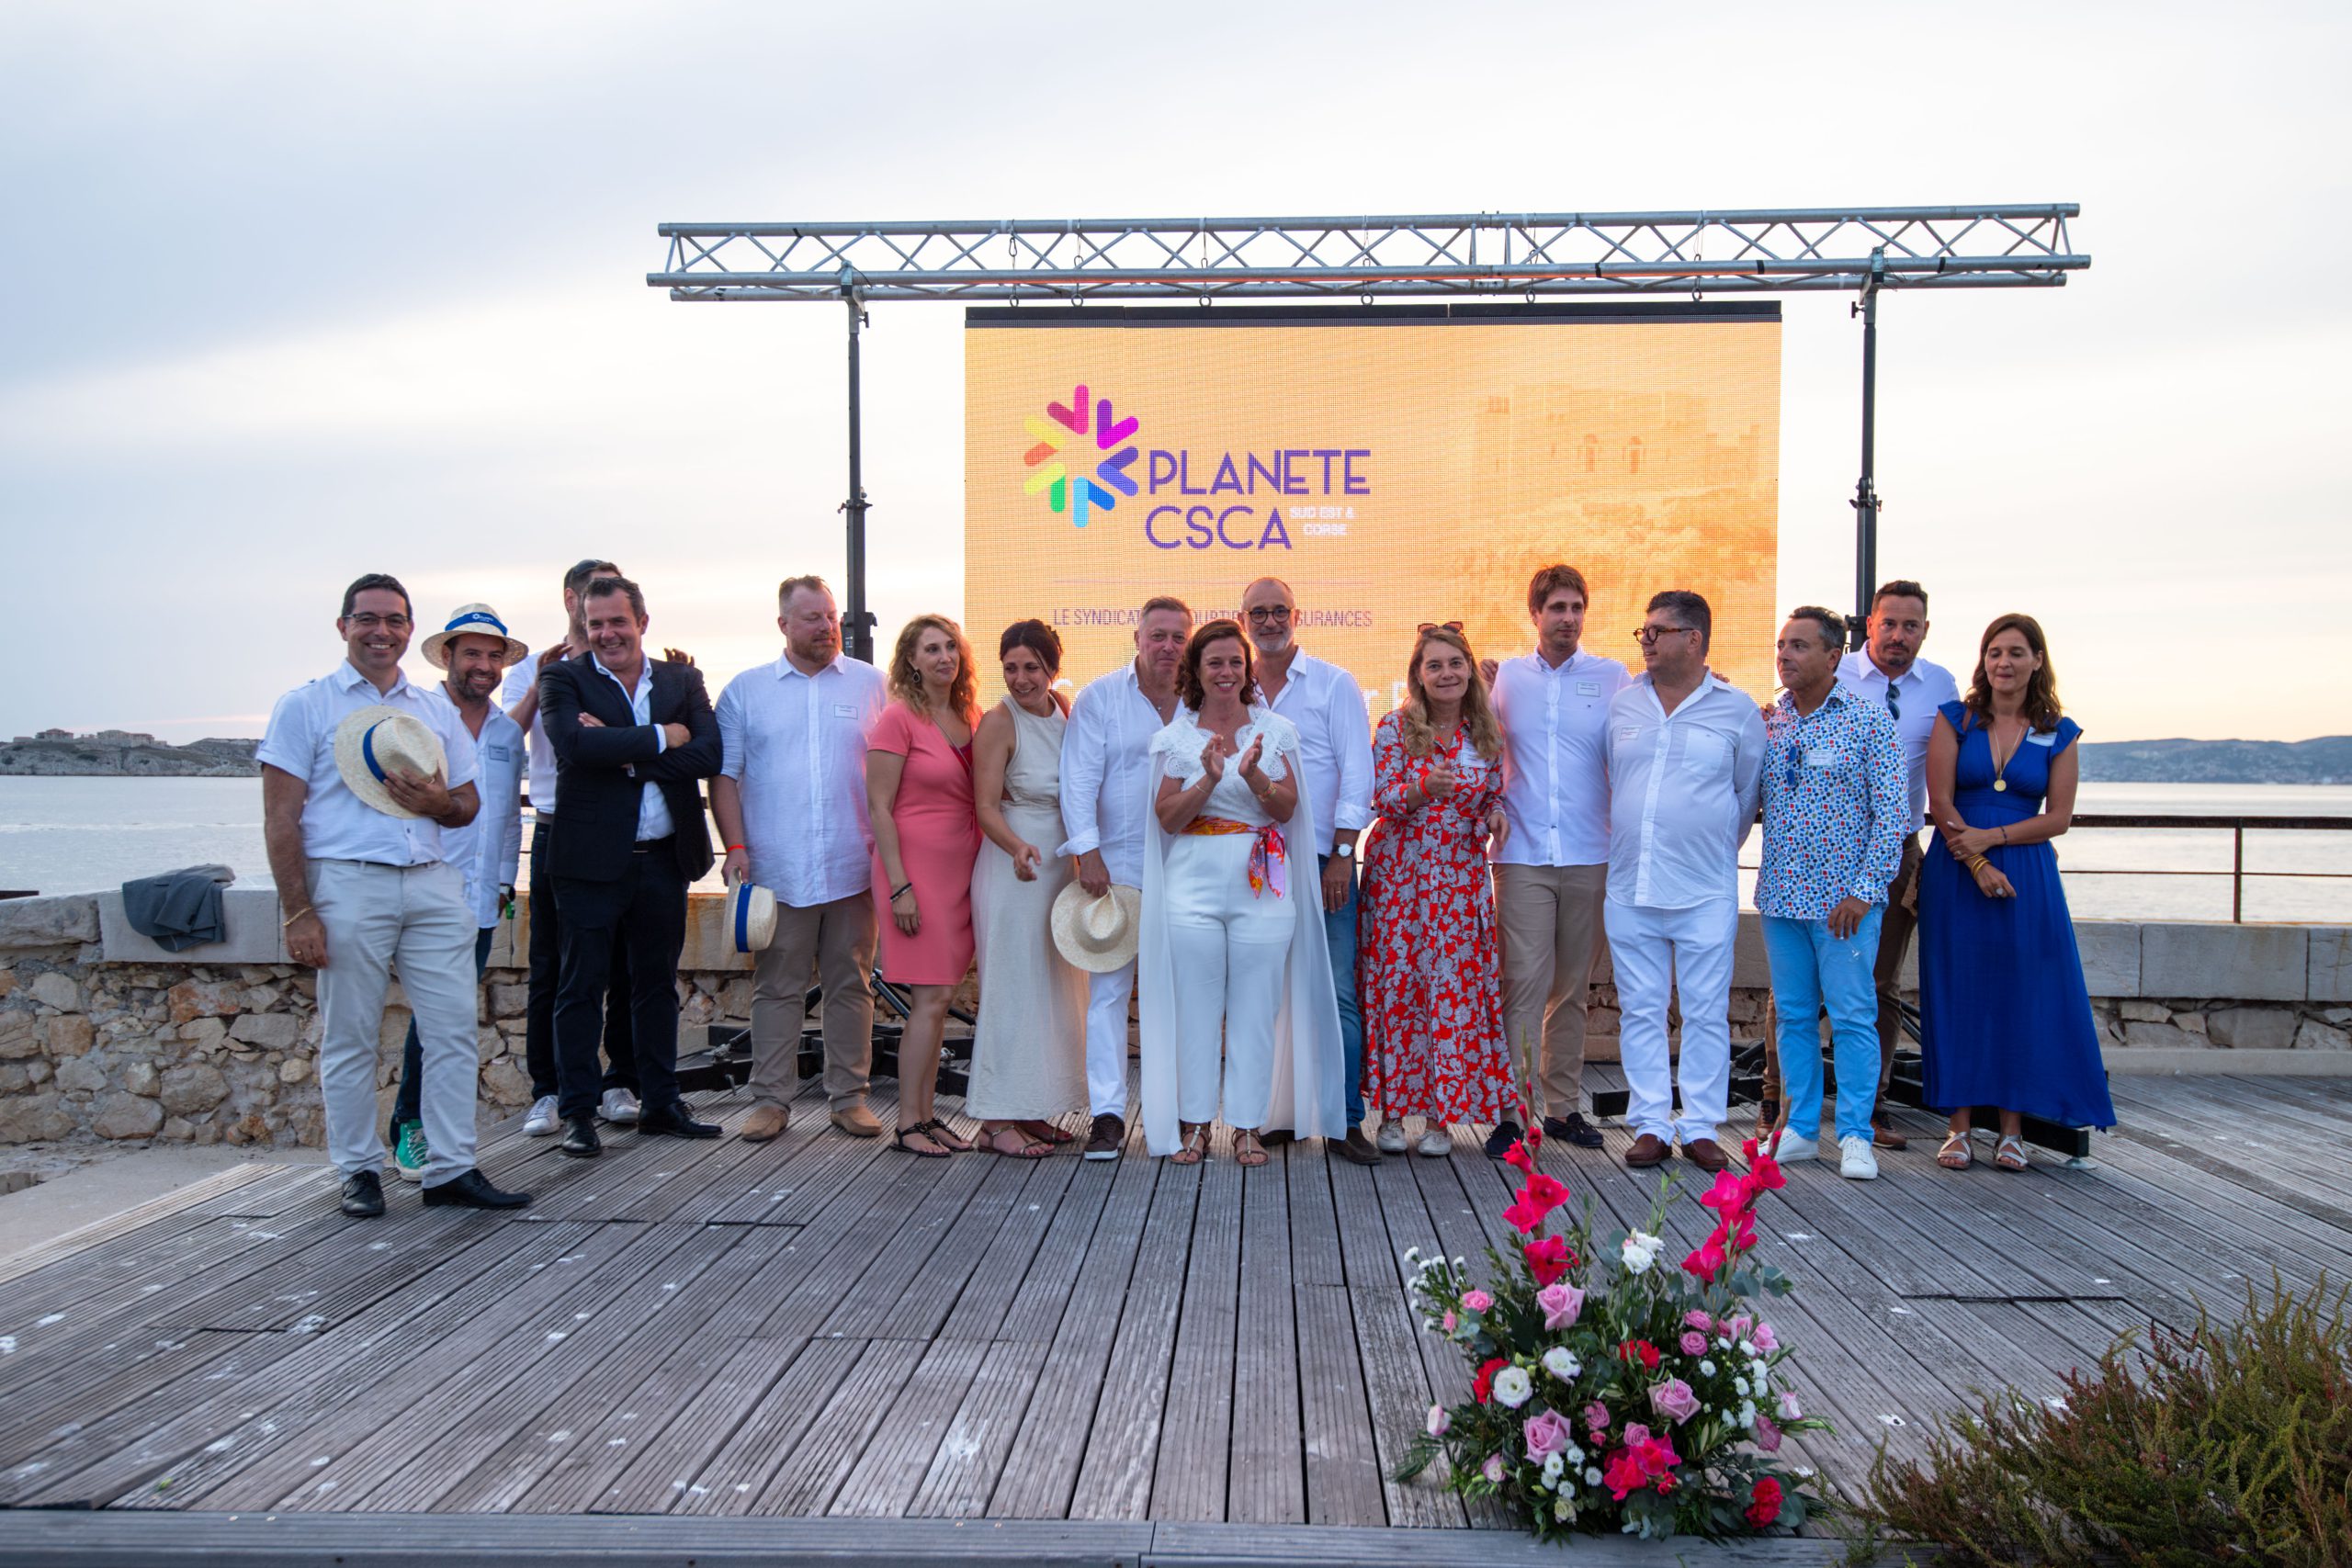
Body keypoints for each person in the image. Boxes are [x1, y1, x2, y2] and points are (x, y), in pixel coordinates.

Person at [259, 573, 529, 1216]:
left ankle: (451, 1168)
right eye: (368, 618)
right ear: (343, 626)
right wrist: (299, 912)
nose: (381, 631)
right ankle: (358, 1170)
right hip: (347, 880)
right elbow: (280, 818)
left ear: (410, 630)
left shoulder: (432, 712)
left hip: (432, 880)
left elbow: (468, 804)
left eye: (395, 620)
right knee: (350, 1035)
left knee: (453, 1031)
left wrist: (438, 803)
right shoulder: (306, 705)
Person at [1137, 620, 1344, 1164]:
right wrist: (1207, 779)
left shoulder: (1276, 732)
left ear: (1246, 670)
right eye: (1215, 663)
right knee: (1196, 1011)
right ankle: (1195, 1125)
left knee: (1256, 1010)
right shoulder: (1177, 738)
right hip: (1191, 888)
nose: (1226, 672)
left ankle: (1248, 1126)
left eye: (1235, 662)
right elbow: (1166, 818)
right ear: (1196, 671)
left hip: (1263, 888)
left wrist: (1254, 777)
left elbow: (1288, 809)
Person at [1919, 614, 2114, 1171]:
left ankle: (2012, 1131)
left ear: (2037, 661)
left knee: (2020, 995)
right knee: (1957, 991)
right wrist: (1977, 859)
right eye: (1994, 652)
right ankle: (1957, 1127)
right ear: (1983, 661)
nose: (2003, 662)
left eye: (2016, 652)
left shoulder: (2060, 731)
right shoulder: (1955, 719)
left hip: (2027, 873)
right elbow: (1940, 802)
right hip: (1958, 868)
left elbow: (2059, 818)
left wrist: (1995, 838)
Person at [537, 574, 724, 1156]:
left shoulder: (681, 679)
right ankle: (577, 1113)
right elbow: (574, 747)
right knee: (580, 989)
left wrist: (626, 753)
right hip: (587, 864)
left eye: (617, 621)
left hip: (664, 860)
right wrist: (662, 736)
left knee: (655, 987)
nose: (606, 634)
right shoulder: (562, 678)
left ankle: (661, 1102)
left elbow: (709, 752)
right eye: (595, 624)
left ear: (642, 622)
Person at [712, 576, 888, 1144]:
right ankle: (770, 1101)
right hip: (778, 869)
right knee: (777, 988)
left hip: (853, 865)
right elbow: (725, 777)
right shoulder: (746, 691)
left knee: (852, 984)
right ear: (783, 624)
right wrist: (735, 848)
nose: (826, 627)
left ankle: (849, 1098)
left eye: (831, 616)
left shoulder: (874, 686)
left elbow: (896, 771)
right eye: (812, 618)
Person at [1602, 590, 1765, 1174]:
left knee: (1705, 1011)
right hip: (1631, 886)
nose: (1645, 641)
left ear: (1693, 639)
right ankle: (1650, 1123)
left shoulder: (1738, 710)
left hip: (1704, 890)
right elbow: (1613, 779)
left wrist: (1710, 844)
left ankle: (1699, 1127)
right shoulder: (1623, 705)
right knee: (1640, 1010)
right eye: (1643, 631)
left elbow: (1746, 794)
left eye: (1657, 631)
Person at [1757, 607, 1908, 1180]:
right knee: (1793, 1017)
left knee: (1852, 1017)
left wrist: (1864, 893)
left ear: (1833, 655)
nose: (1785, 655)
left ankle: (1855, 1135)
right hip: (1780, 898)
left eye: (1799, 645)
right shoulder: (1772, 723)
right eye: (1782, 645)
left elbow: (1892, 816)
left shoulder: (1868, 721)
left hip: (1844, 906)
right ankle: (1798, 1129)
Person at [1487, 564, 1630, 1156]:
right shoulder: (1503, 678)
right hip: (1521, 853)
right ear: (1535, 614)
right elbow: (1478, 750)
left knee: (1571, 989)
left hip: (1590, 852)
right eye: (1557, 608)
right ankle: (1513, 1114)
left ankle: (1564, 1109)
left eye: (1576, 608)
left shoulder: (1613, 677)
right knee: (1523, 984)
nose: (1568, 618)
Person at [1359, 624, 1516, 1158]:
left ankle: (1438, 1118)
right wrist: (1421, 790)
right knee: (1398, 989)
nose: (1446, 673)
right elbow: (1380, 797)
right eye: (1434, 665)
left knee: (1449, 994)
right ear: (1418, 675)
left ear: (1469, 670)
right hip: (1400, 878)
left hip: (1458, 881)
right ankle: (1391, 1113)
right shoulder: (1395, 726)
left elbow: (1492, 793)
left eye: (1455, 663)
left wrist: (1495, 813)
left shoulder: (1485, 732)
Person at [385, 604, 529, 1181]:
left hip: (480, 898)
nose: (483, 666)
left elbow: (508, 819)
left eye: (494, 656)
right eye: (471, 653)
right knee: (433, 1015)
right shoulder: (414, 719)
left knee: (448, 1018)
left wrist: (503, 883)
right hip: (423, 888)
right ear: (447, 656)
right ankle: (409, 1127)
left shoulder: (507, 733)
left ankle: (424, 1131)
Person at [1238, 577, 1378, 1164]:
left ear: (1296, 616)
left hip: (1324, 860)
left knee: (1338, 992)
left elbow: (1358, 774)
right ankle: (1285, 1115)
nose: (1269, 622)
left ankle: (1345, 1121)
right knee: (1267, 993)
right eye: (1258, 613)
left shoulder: (1332, 683)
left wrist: (1343, 855)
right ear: (1243, 621)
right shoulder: (1235, 690)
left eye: (1279, 611)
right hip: (1254, 862)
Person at [503, 558, 640, 1137]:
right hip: (557, 825)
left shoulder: (628, 668)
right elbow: (503, 739)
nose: (600, 606)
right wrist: (542, 682)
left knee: (624, 963)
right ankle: (550, 1089)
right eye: (591, 593)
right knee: (551, 966)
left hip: (618, 827)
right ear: (570, 599)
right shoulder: (534, 667)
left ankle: (619, 1080)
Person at [1059, 594, 1193, 1158]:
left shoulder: (1203, 700)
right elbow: (1078, 779)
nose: (1168, 646)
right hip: (1117, 869)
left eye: (1178, 637)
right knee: (1109, 995)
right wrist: (1088, 852)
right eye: (1157, 635)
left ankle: (1180, 1111)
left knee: (1181, 994)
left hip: (1189, 867)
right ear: (1137, 638)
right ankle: (1108, 1114)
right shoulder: (1101, 697)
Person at [1836, 580, 1962, 1150]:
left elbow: (1952, 768)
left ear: (1925, 631)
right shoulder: (1832, 672)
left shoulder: (1940, 686)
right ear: (1870, 624)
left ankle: (1872, 1105)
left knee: (1881, 983)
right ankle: (1779, 1101)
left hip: (1897, 848)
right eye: (1888, 623)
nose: (1897, 635)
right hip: (1829, 848)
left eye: (1910, 626)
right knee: (1798, 985)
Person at [966, 620, 1087, 1156]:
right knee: (1012, 990)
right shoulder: (999, 722)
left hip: (1059, 868)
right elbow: (985, 807)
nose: (1020, 679)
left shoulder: (1064, 709)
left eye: (1031, 667)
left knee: (1052, 990)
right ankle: (995, 1121)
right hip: (1014, 868)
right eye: (1011, 668)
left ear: (1052, 668)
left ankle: (1033, 1107)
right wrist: (1015, 846)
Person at [866, 614, 985, 1158]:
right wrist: (899, 887)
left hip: (963, 874)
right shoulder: (898, 719)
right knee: (930, 999)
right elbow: (879, 808)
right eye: (931, 649)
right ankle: (908, 1124)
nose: (944, 657)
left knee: (939, 1001)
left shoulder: (971, 715)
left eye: (951, 647)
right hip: (913, 875)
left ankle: (928, 1116)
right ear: (911, 661)